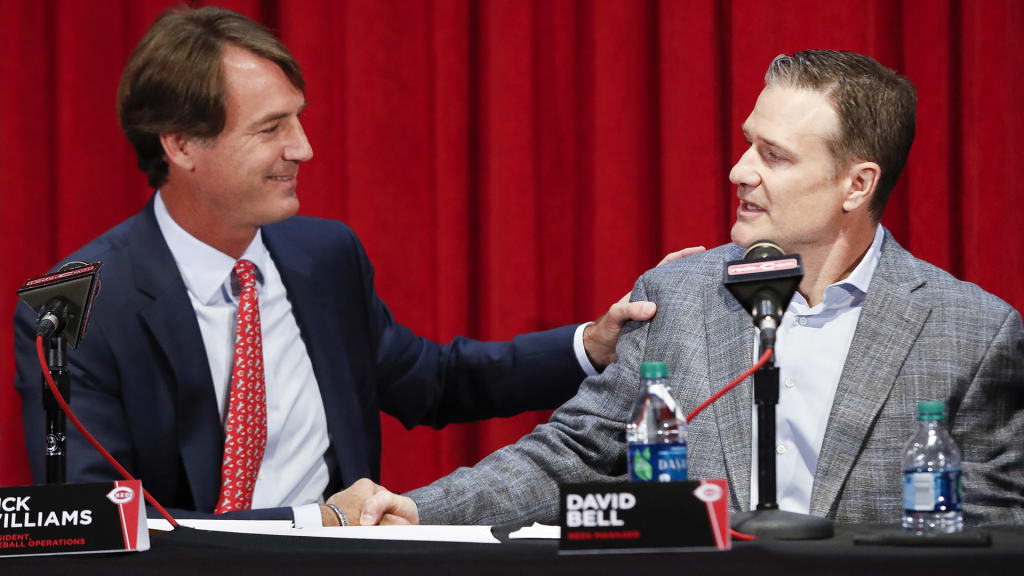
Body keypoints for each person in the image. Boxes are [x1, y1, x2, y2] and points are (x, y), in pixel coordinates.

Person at [12, 6, 698, 527]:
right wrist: (322, 523)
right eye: (271, 128)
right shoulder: (72, 308)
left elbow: (435, 382)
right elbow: (98, 523)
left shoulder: (323, 258)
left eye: (298, 120)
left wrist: (592, 344)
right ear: (183, 145)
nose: (304, 148)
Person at [340, 50, 1024, 528]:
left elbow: (995, 531)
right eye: (747, 143)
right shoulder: (679, 295)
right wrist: (425, 508)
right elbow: (571, 452)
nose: (738, 170)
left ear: (857, 184)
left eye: (774, 156)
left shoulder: (972, 333)